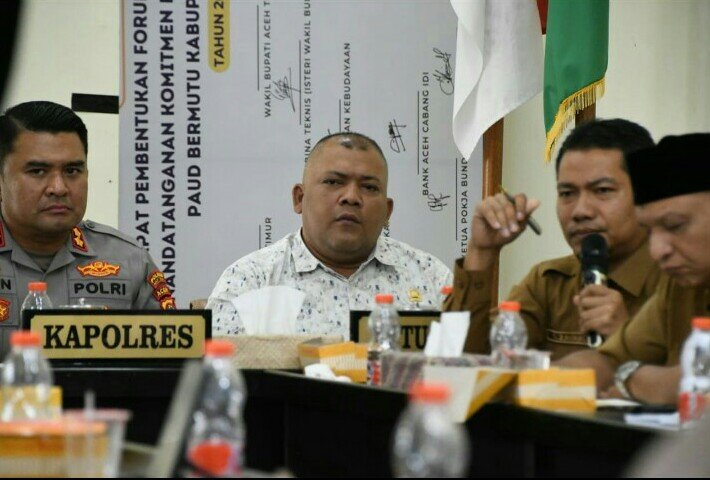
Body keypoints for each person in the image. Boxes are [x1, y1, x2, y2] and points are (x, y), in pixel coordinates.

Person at [445, 119, 662, 359]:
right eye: (567, 193)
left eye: (602, 191)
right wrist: (481, 252)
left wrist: (627, 340)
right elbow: (462, 362)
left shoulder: (678, 281)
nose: (580, 211)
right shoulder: (549, 284)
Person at [207, 132, 452, 337]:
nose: (351, 197)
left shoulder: (431, 278)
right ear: (299, 198)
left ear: (387, 211)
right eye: (334, 182)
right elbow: (216, 372)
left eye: (369, 187)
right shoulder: (251, 282)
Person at [0, 101, 175, 355]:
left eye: (72, 170)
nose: (59, 188)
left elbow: (172, 361)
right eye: (38, 171)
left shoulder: (129, 261)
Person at [558, 133, 710, 405]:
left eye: (674, 226)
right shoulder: (678, 285)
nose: (657, 251)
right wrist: (530, 377)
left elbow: (697, 382)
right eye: (649, 231)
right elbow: (610, 360)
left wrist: (634, 379)